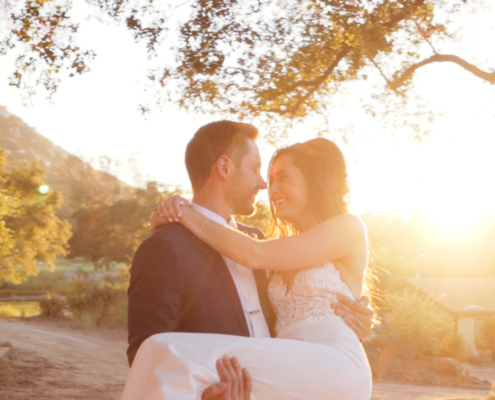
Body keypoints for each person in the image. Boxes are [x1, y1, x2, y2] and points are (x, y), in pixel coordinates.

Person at [124, 121, 373, 399]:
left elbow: (254, 254)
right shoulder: (167, 246)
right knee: (157, 351)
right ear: (224, 167)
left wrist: (183, 211)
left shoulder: (259, 244)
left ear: (313, 179)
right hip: (274, 380)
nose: (267, 185)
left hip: (329, 365)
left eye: (283, 177)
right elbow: (142, 351)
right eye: (258, 170)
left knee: (166, 353)